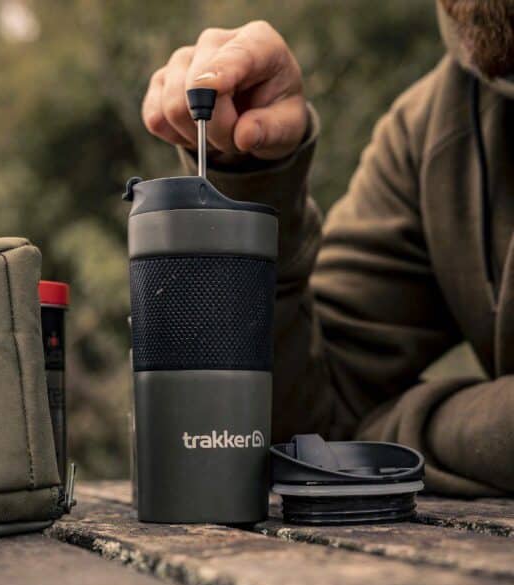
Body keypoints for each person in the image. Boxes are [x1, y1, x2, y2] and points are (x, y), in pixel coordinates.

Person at [140, 0, 514, 496]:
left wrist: (400, 431)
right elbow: (311, 436)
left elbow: (349, 449)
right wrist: (250, 178)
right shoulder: (436, 130)